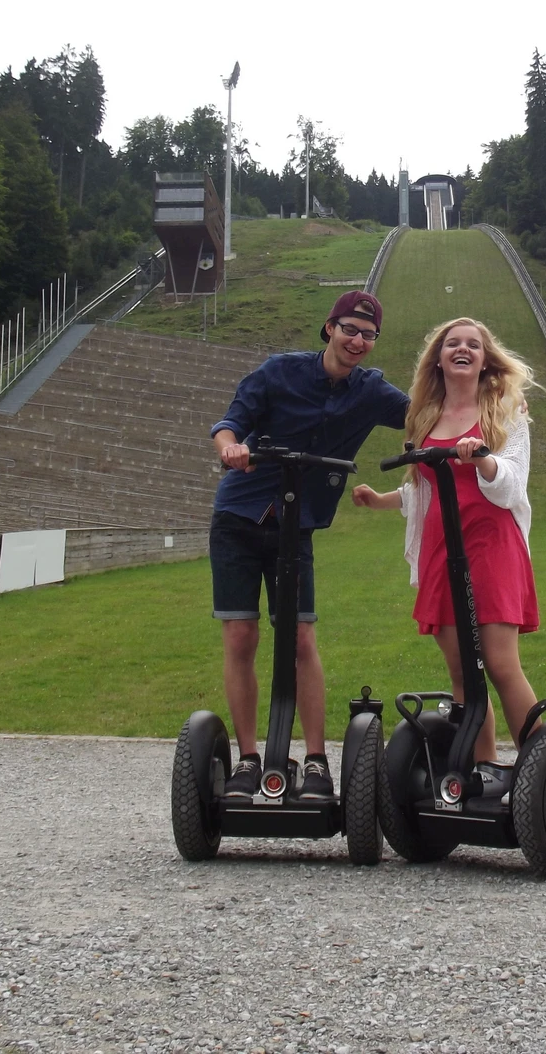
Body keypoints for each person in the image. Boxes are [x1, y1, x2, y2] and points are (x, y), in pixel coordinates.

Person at [210, 290, 409, 800]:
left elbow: (422, 414)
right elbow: (231, 421)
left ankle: (317, 761)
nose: (357, 340)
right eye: (349, 329)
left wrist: (488, 404)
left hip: (295, 524)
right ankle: (249, 758)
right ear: (329, 328)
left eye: (368, 334)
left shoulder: (371, 391)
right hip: (241, 514)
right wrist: (232, 448)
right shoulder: (279, 372)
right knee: (241, 636)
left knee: (299, 639)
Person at [352, 317, 541, 777]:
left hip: (491, 543)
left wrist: (483, 459)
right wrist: (383, 500)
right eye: (452, 343)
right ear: (438, 358)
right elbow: (423, 490)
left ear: (484, 359)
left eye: (473, 344)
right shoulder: (425, 417)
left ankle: (542, 771)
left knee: (499, 664)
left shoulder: (506, 410)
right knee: (462, 674)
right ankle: (484, 772)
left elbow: (514, 482)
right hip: (442, 547)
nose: (463, 349)